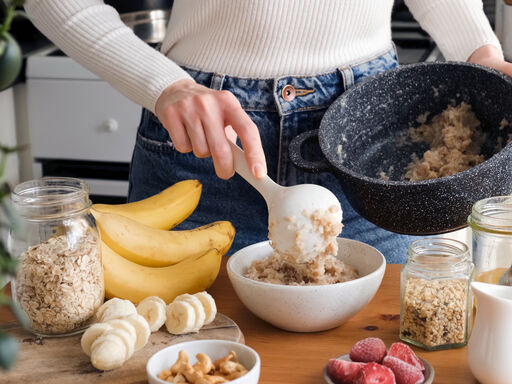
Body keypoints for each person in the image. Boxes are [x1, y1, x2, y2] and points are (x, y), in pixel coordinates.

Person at [25, 0, 512, 262]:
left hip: (372, 145)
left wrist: (481, 55)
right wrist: (163, 86)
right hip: (202, 137)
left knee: (385, 351)